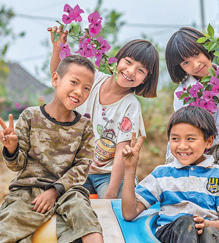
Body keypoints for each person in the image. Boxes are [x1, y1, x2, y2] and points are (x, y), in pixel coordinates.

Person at [0, 55, 103, 243]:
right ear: (55, 79)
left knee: (89, 227)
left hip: (68, 192)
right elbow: (18, 166)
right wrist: (12, 148)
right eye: (74, 82)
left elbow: (82, 167)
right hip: (27, 191)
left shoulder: (85, 126)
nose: (79, 91)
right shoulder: (30, 116)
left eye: (86, 88)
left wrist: (54, 191)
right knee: (1, 235)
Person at [48, 26, 159, 199]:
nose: (131, 71)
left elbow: (122, 155)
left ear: (145, 79)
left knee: (117, 212)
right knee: (55, 197)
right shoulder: (93, 77)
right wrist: (57, 48)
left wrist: (110, 196)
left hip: (109, 175)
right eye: (128, 62)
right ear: (117, 59)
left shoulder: (131, 106)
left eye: (140, 70)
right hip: (79, 168)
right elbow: (61, 79)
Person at [122, 106, 219, 243]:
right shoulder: (162, 174)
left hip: (207, 234)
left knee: (210, 233)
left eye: (190, 139)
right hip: (170, 235)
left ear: (208, 141)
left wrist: (207, 224)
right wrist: (130, 169)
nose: (182, 146)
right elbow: (129, 213)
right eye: (175, 139)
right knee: (186, 221)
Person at [165, 27, 219, 176]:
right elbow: (187, 135)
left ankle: (215, 188)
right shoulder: (183, 94)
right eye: (186, 62)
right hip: (187, 152)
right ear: (180, 68)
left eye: (196, 54)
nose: (196, 64)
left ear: (207, 47)